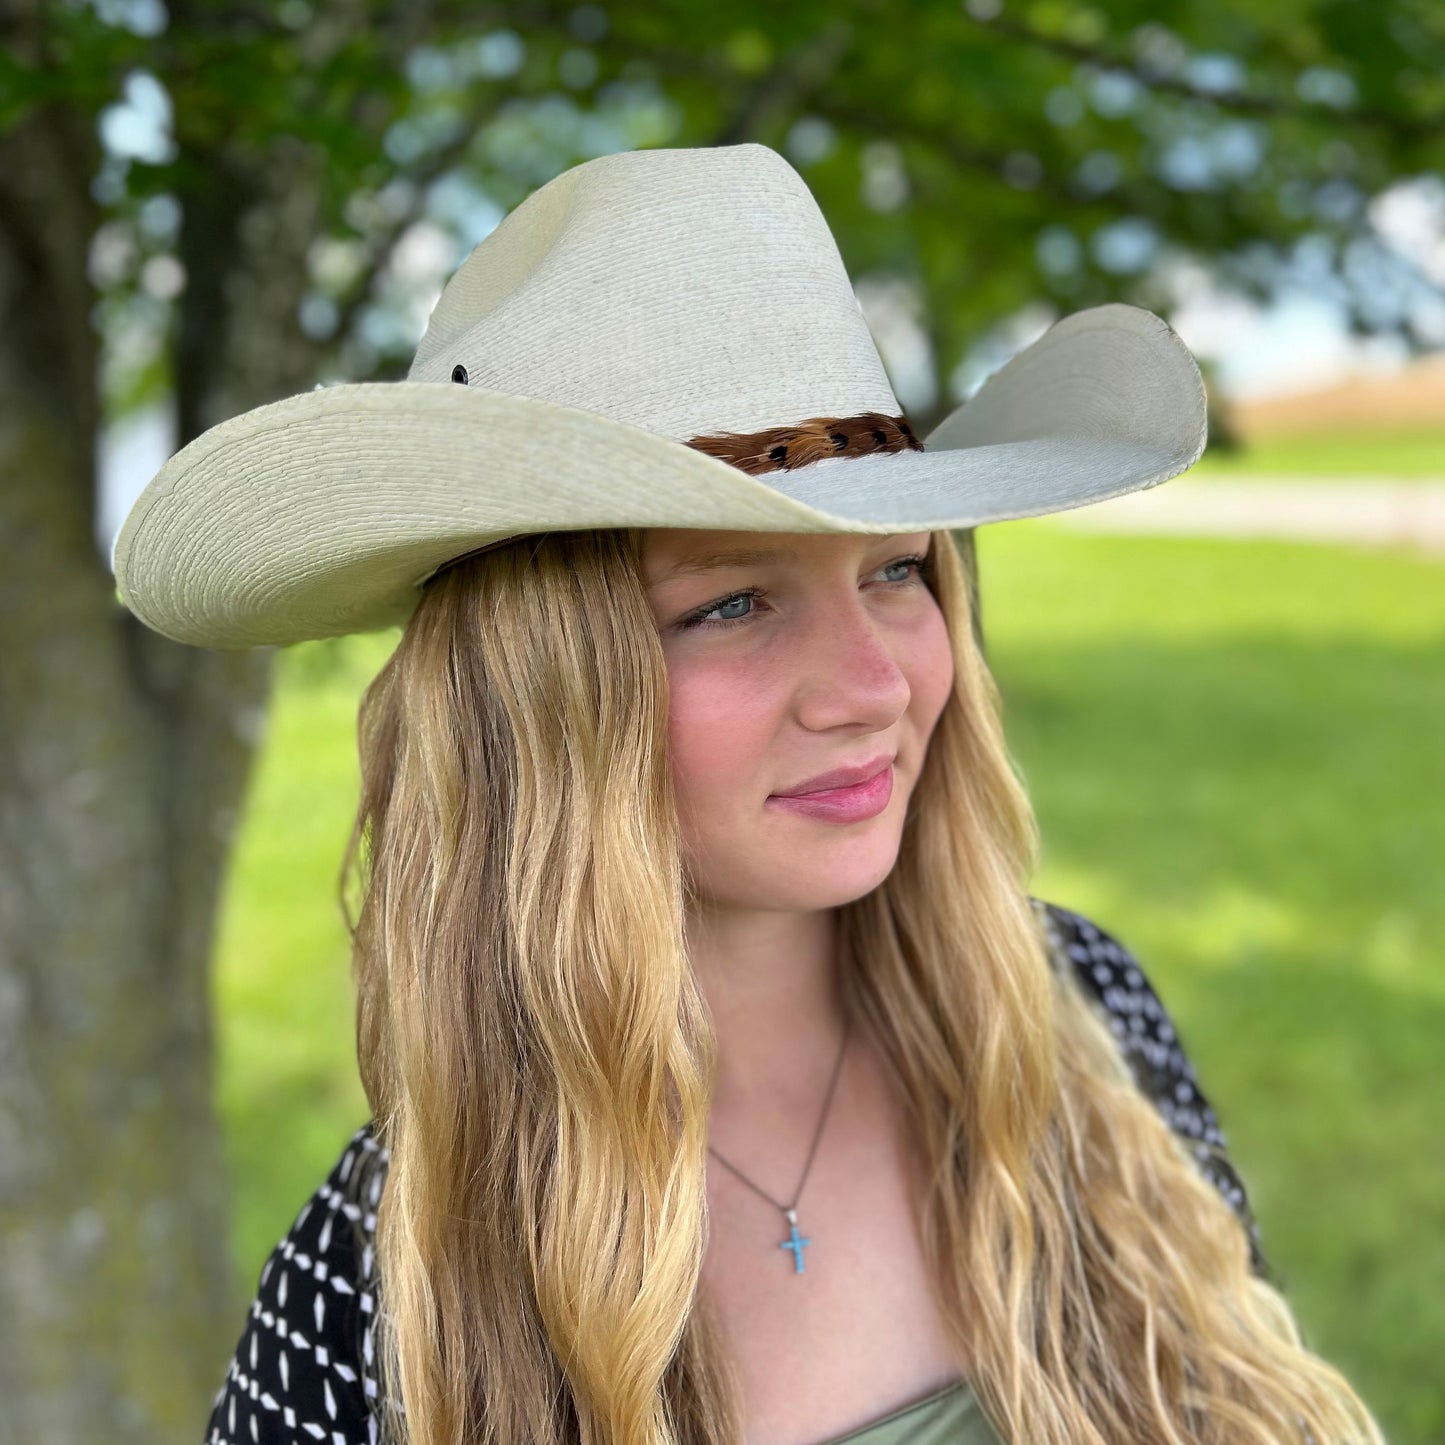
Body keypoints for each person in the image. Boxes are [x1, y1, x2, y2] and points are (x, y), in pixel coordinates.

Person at [113, 142, 1385, 1445]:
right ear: (539, 702)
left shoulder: (1076, 1018)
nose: (868, 686)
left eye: (895, 572)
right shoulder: (384, 1297)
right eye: (730, 602)